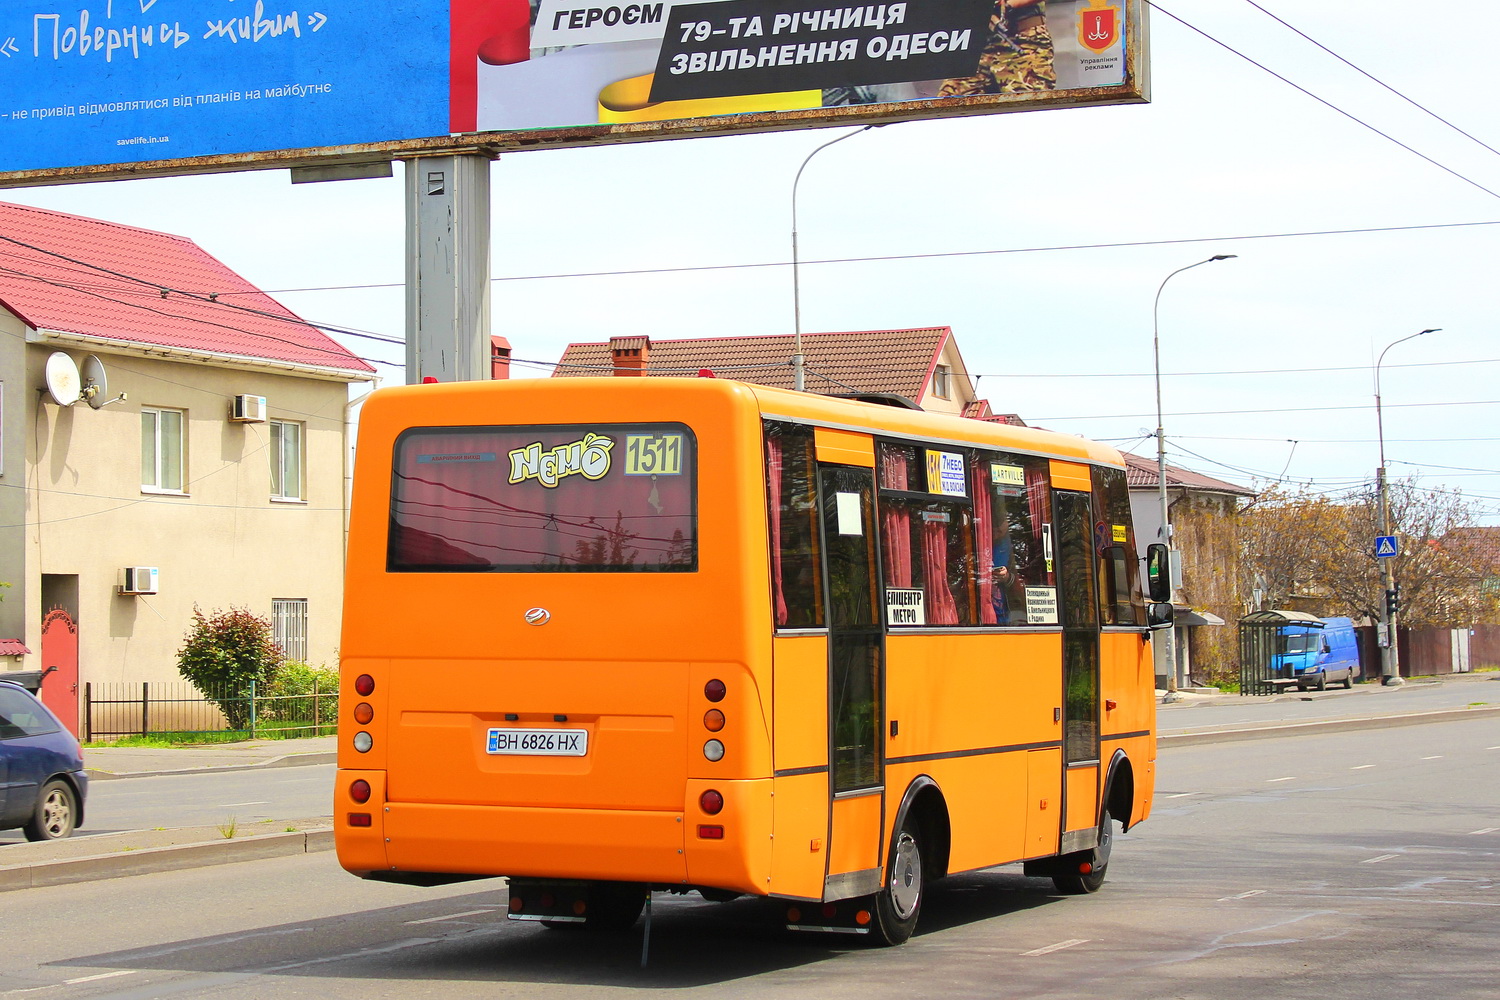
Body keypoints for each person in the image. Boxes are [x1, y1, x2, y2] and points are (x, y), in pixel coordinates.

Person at [940, 0, 1056, 97]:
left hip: (1022, 42)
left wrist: (1005, 4)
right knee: (948, 105)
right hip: (977, 44)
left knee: (1025, 109)